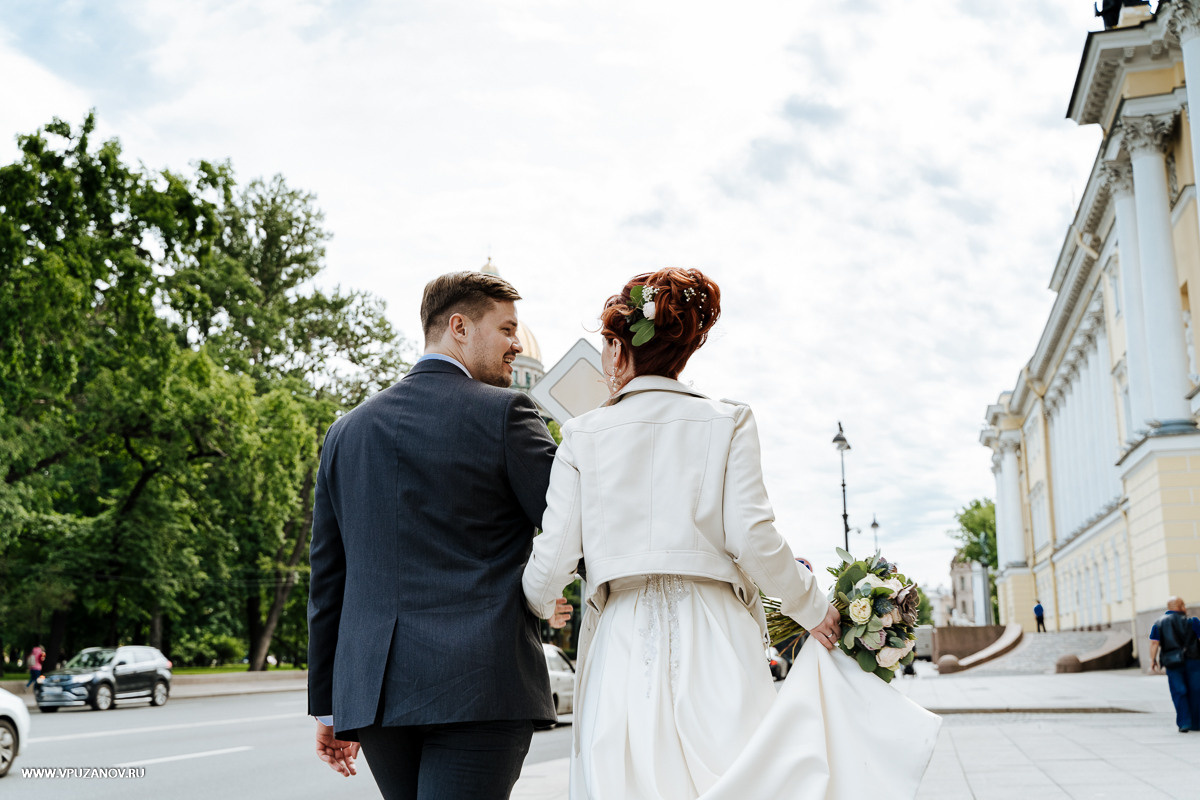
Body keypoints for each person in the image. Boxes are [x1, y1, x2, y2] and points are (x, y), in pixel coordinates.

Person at [523, 268, 940, 799]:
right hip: (714, 631)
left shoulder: (583, 434)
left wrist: (537, 603)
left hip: (623, 639)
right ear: (685, 350)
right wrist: (813, 610)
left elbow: (554, 554)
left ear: (616, 348)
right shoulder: (728, 421)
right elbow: (753, 536)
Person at [308, 270, 571, 799]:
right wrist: (543, 592)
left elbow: (328, 579)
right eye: (506, 329)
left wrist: (330, 705)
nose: (516, 345)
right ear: (459, 327)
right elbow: (575, 523)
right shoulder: (507, 413)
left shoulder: (345, 433)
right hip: (480, 684)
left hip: (376, 695)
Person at [1149, 596, 1200, 733]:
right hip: (1193, 660)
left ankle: (1184, 722)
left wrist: (1152, 660)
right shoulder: (1193, 621)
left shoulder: (1159, 622)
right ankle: (1196, 723)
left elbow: (1154, 643)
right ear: (1182, 606)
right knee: (1196, 691)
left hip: (1172, 662)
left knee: (1179, 691)